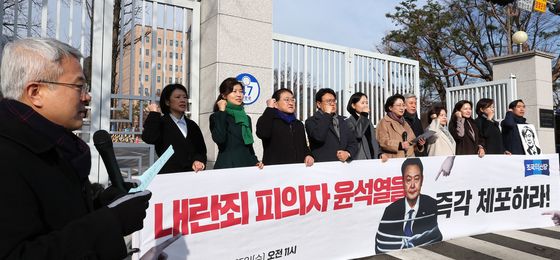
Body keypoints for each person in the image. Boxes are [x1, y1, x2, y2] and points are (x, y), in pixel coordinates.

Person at [0, 37, 151, 259]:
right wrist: (111, 222)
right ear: (35, 92)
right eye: (78, 86)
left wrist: (101, 204)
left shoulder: (56, 145)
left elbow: (58, 217)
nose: (87, 96)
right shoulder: (7, 156)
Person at [375, 158, 443, 253]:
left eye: (416, 179)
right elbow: (380, 246)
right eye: (408, 180)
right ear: (402, 181)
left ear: (422, 180)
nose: (412, 185)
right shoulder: (390, 210)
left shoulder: (431, 205)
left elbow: (436, 239)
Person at [142, 84, 207, 174]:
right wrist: (153, 113)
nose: (182, 100)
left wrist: (198, 160)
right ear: (167, 102)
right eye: (177, 97)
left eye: (185, 97)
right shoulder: (161, 122)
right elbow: (149, 138)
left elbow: (201, 150)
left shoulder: (192, 125)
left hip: (192, 174)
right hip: (169, 176)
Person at [210, 77, 263, 169]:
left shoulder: (246, 118)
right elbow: (220, 139)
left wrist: (256, 161)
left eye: (241, 91)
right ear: (224, 95)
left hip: (247, 165)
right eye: (234, 91)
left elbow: (249, 146)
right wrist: (222, 112)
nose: (239, 95)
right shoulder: (216, 116)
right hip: (228, 166)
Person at [256, 88, 314, 166]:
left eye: (293, 100)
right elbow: (263, 133)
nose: (291, 103)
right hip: (276, 171)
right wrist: (269, 109)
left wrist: (309, 155)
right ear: (275, 104)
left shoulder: (298, 124)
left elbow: (303, 147)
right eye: (286, 100)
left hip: (298, 171)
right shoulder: (269, 120)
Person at [305, 88, 358, 162]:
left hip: (343, 167)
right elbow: (319, 137)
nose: (332, 104)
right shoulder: (311, 121)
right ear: (319, 104)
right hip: (324, 167)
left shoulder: (344, 120)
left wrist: (348, 153)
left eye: (334, 101)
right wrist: (327, 114)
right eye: (328, 101)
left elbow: (353, 143)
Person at [376, 94, 425, 158]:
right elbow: (382, 142)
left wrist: (419, 144)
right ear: (390, 108)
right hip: (394, 159)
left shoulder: (404, 122)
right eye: (399, 105)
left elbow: (412, 141)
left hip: (409, 158)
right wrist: (399, 145)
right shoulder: (384, 122)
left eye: (403, 105)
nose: (402, 108)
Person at [345, 92, 388, 161]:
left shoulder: (368, 121)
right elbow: (358, 134)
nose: (365, 105)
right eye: (362, 103)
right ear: (353, 105)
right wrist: (364, 115)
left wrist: (379, 153)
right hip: (359, 160)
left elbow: (374, 141)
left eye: (366, 103)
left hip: (372, 158)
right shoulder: (348, 122)